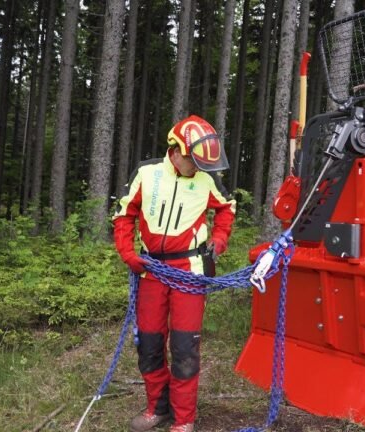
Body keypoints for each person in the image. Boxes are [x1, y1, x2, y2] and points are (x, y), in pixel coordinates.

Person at [113, 115, 237, 432]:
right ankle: (157, 408)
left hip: (190, 272)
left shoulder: (206, 179)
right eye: (193, 162)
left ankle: (183, 420)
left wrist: (220, 238)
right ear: (177, 151)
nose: (197, 168)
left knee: (184, 347)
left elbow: (227, 207)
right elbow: (124, 213)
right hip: (151, 270)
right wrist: (128, 253)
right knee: (149, 343)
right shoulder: (147, 173)